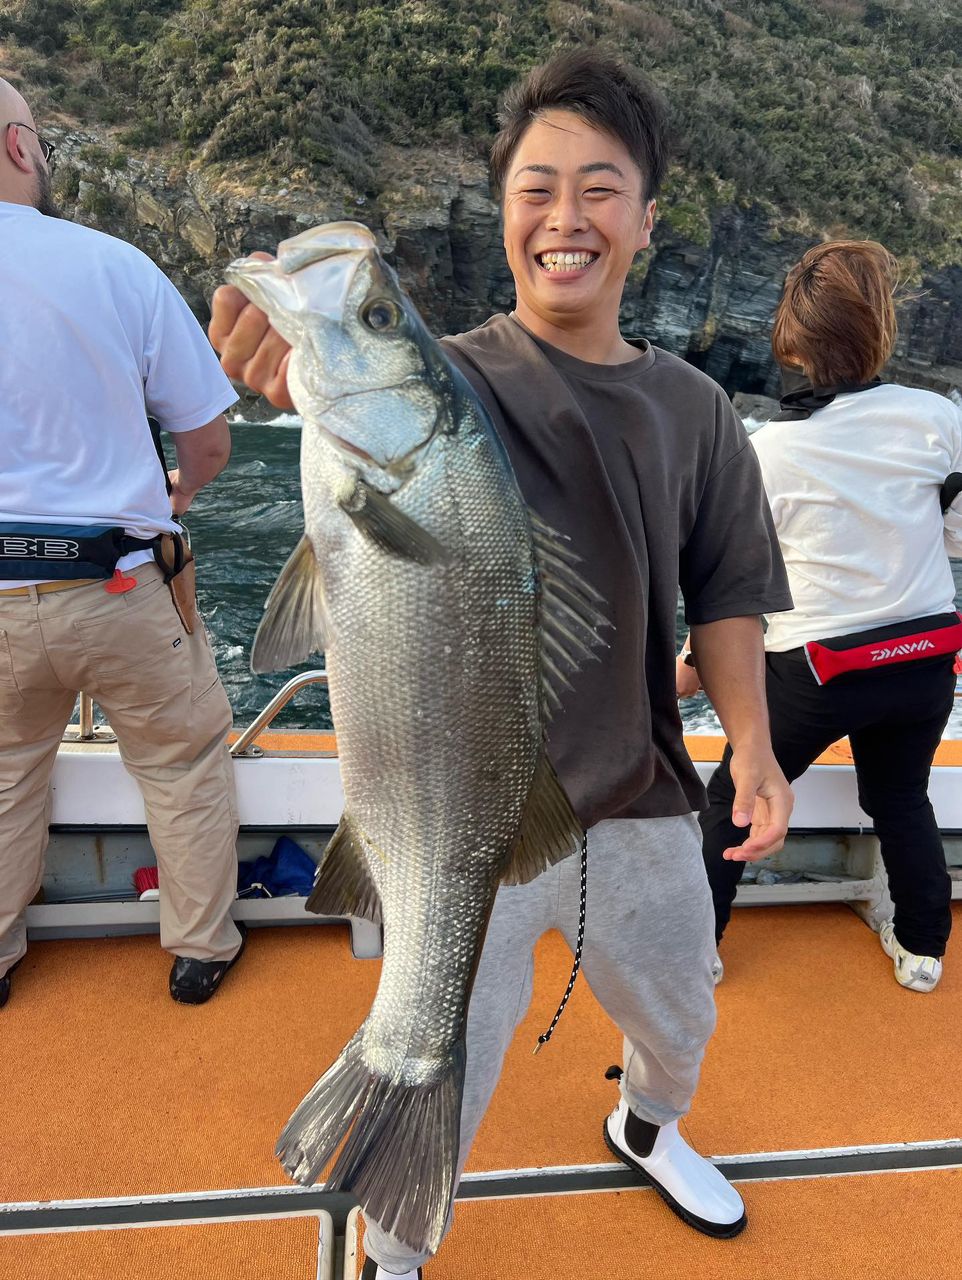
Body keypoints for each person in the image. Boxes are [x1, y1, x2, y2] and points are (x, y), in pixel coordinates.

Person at [209, 49, 794, 1279]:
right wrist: (285, 351)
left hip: (637, 792)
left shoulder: (695, 409)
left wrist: (750, 743)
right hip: (459, 799)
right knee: (429, 1040)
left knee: (682, 1014)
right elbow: (321, 378)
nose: (563, 218)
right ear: (502, 207)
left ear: (645, 216)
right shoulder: (450, 379)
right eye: (534, 187)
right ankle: (394, 1239)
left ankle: (645, 1120)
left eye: (598, 187)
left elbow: (731, 590)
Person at [0, 77, 246, 1009]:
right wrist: (178, 490)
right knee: (182, 762)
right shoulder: (115, 266)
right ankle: (199, 949)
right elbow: (209, 440)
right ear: (23, 148)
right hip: (116, 585)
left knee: (1, 775)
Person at [695, 240, 962, 993]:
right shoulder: (937, 418)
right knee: (900, 798)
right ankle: (920, 950)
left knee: (733, 800)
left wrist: (691, 659)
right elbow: (958, 536)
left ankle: (701, 947)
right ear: (880, 325)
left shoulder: (770, 451)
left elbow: (736, 582)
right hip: (921, 661)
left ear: (794, 340)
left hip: (817, 670)